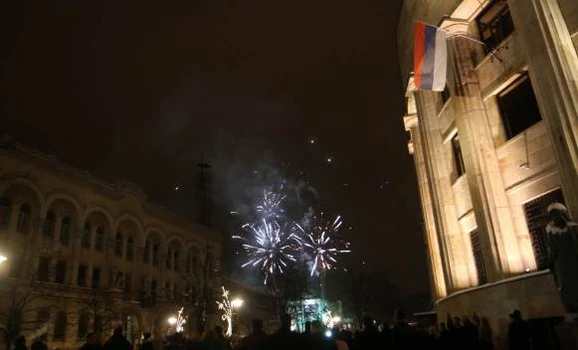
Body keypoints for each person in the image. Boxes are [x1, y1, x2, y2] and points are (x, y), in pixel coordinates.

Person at [546, 203, 578, 312]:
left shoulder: (573, 229)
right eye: (552, 215)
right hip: (561, 265)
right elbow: (552, 249)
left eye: (557, 214)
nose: (555, 218)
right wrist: (551, 262)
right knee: (567, 289)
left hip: (574, 262)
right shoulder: (551, 232)